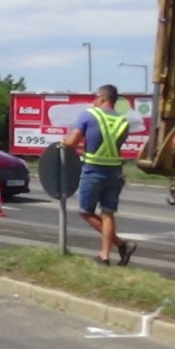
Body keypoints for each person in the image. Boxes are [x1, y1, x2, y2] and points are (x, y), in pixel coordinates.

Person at [61, 84, 135, 266]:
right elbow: (111, 148)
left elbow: (72, 142)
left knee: (85, 211)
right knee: (108, 213)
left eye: (95, 98)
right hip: (115, 172)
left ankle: (120, 244)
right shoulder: (124, 122)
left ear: (102, 98)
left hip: (93, 171)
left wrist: (64, 142)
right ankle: (105, 255)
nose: (94, 102)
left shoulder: (89, 115)